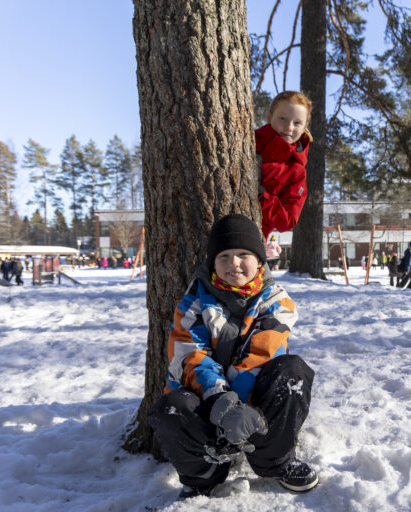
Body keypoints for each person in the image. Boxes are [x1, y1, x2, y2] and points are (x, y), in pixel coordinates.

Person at [148, 214, 318, 499]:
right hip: (208, 401)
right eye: (224, 256)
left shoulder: (278, 301)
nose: (233, 264)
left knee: (293, 372)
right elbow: (190, 355)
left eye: (243, 254)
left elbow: (262, 354)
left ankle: (274, 460)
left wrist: (239, 409)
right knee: (171, 407)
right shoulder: (193, 302)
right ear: (212, 263)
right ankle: (203, 476)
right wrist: (222, 403)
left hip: (256, 408)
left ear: (260, 261)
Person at [256, 91, 312, 239]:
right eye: (282, 119)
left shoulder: (296, 170)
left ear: (305, 126)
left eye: (297, 123)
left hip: (250, 240)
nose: (289, 127)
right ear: (269, 117)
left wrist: (261, 197)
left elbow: (288, 220)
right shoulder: (250, 140)